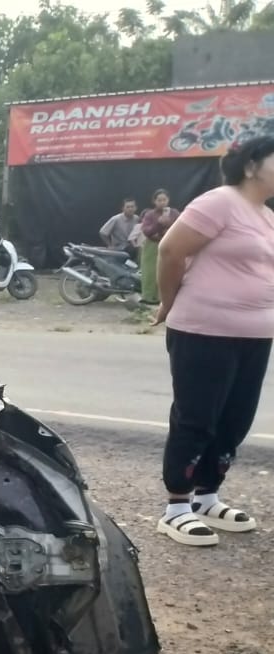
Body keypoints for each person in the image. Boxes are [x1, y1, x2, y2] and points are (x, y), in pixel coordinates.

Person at [150, 133, 274, 547]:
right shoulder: (219, 202)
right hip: (203, 331)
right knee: (196, 418)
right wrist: (168, 303)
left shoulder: (266, 216)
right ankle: (177, 507)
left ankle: (207, 497)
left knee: (234, 421)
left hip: (255, 336)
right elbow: (170, 251)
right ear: (253, 164)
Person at [139, 188, 179, 306]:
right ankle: (149, 297)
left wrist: (169, 223)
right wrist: (158, 224)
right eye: (159, 200)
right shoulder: (149, 214)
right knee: (150, 272)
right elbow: (146, 230)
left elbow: (181, 227)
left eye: (164, 199)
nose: (162, 202)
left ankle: (165, 298)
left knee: (167, 272)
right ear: (154, 201)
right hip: (152, 246)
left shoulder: (175, 213)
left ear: (168, 200)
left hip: (169, 245)